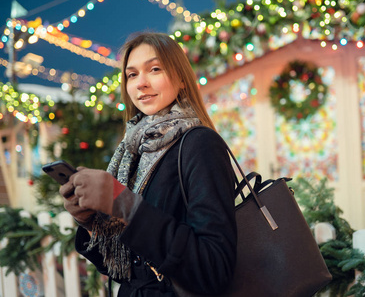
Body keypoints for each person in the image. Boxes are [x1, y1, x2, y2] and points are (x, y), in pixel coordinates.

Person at [59, 32, 237, 296]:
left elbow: (214, 269)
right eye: (132, 75)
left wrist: (123, 203)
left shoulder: (199, 144)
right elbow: (121, 268)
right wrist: (88, 221)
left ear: (181, 80)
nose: (140, 83)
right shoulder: (131, 151)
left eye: (154, 69)